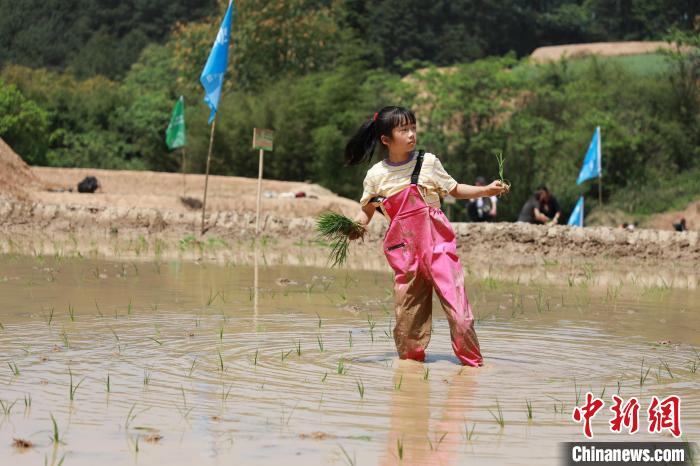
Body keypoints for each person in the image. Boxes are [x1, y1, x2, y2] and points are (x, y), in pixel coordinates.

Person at [345, 106, 508, 367]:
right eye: (403, 130)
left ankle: (473, 367)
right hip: (405, 253)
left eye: (413, 128)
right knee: (408, 322)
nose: (411, 134)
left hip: (439, 248)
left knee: (460, 315)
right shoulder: (376, 176)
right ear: (386, 140)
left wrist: (486, 190)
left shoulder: (428, 162)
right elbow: (367, 211)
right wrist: (355, 228)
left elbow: (455, 189)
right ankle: (410, 375)